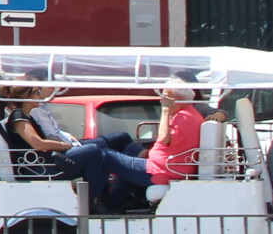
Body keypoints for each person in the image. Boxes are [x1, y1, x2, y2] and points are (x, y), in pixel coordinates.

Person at [70, 78, 205, 213]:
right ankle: (118, 200)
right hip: (165, 167)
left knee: (102, 155)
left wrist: (165, 110)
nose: (161, 100)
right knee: (129, 147)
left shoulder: (183, 116)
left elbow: (164, 138)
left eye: (165, 97)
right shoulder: (191, 114)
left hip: (159, 171)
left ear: (178, 99)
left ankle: (97, 202)